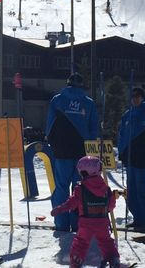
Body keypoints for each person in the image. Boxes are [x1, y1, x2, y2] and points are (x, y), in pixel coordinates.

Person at [45, 73, 100, 232]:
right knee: (79, 188)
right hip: (82, 153)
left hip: (62, 151)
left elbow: (49, 126)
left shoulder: (57, 100)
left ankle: (61, 223)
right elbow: (94, 129)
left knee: (61, 188)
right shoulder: (88, 103)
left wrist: (54, 144)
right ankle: (78, 223)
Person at [51, 156, 120, 268]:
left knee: (81, 242)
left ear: (84, 172)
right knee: (106, 242)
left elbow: (71, 203)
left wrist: (59, 209)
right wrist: (104, 209)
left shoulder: (80, 188)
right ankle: (113, 259)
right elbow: (111, 205)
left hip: (86, 223)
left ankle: (76, 262)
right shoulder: (106, 188)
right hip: (102, 222)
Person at [117, 87, 145, 228]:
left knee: (143, 190)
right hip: (130, 158)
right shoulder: (127, 115)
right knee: (131, 191)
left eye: (138, 96)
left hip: (143, 158)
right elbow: (121, 135)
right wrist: (122, 152)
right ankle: (139, 218)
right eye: (133, 96)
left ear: (143, 98)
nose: (135, 99)